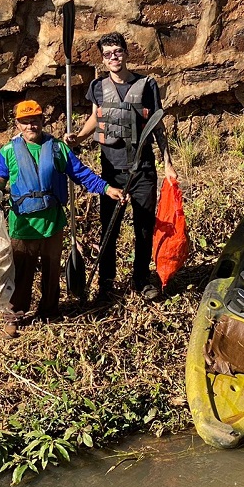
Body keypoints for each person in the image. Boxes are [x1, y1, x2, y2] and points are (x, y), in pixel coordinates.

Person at [0, 99, 123, 338]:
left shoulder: (58, 148)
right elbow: (0, 178)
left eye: (35, 120)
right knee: (20, 273)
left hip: (53, 222)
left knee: (52, 271)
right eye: (25, 122)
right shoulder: (8, 152)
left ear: (42, 121)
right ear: (17, 125)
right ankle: (14, 315)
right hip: (23, 224)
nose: (31, 126)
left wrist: (106, 188)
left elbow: (80, 173)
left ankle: (49, 311)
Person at [64, 32, 177, 301]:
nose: (113, 57)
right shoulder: (97, 87)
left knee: (144, 228)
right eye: (107, 54)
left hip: (143, 169)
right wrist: (78, 137)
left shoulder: (147, 85)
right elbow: (95, 117)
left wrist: (168, 163)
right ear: (103, 60)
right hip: (111, 171)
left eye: (117, 51)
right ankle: (106, 282)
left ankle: (141, 279)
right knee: (109, 228)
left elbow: (157, 125)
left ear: (126, 53)